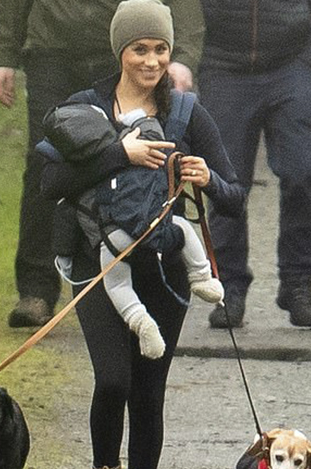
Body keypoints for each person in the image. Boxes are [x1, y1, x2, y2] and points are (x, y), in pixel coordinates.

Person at [39, 0, 244, 469]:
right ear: (120, 52)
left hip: (163, 266)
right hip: (98, 265)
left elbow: (234, 196)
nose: (151, 61)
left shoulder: (187, 115)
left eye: (160, 49)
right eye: (140, 49)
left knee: (148, 392)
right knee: (112, 380)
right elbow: (47, 183)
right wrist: (116, 153)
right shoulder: (84, 109)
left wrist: (206, 179)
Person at [0, 0, 203, 328]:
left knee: (145, 160)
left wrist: (183, 55)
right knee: (45, 163)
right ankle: (36, 289)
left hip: (124, 50)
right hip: (52, 50)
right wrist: (5, 53)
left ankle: (147, 277)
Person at [198, 0, 311, 329]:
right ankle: (229, 287)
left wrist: (310, 59)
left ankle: (297, 283)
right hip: (222, 67)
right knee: (225, 180)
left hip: (290, 67)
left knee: (302, 170)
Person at [38, 103, 224, 360]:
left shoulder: (79, 162)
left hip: (112, 237)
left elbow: (65, 213)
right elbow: (153, 133)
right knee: (183, 227)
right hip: (156, 223)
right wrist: (133, 130)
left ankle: (139, 320)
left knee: (118, 285)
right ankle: (202, 277)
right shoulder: (132, 135)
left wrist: (65, 259)